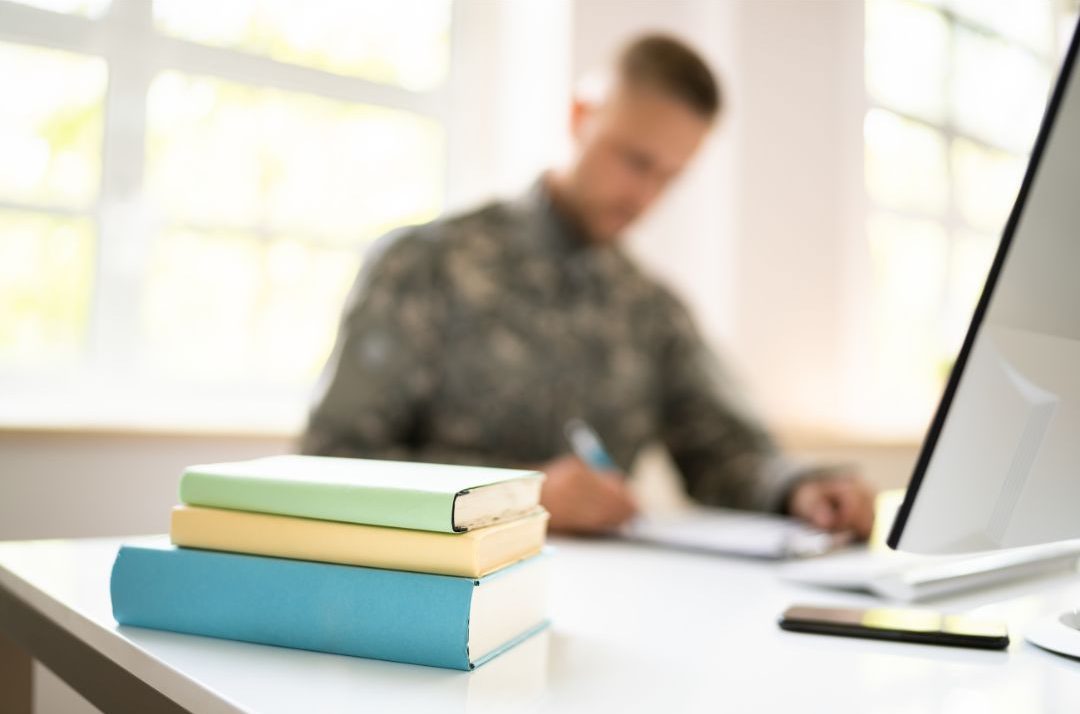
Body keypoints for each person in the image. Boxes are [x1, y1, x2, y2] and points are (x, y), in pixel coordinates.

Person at [301, 34, 876, 537]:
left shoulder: (651, 310)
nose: (645, 195)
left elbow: (724, 452)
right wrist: (518, 495)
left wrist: (799, 490)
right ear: (581, 117)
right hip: (434, 607)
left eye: (669, 176)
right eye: (633, 160)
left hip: (610, 613)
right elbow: (332, 462)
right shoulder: (424, 266)